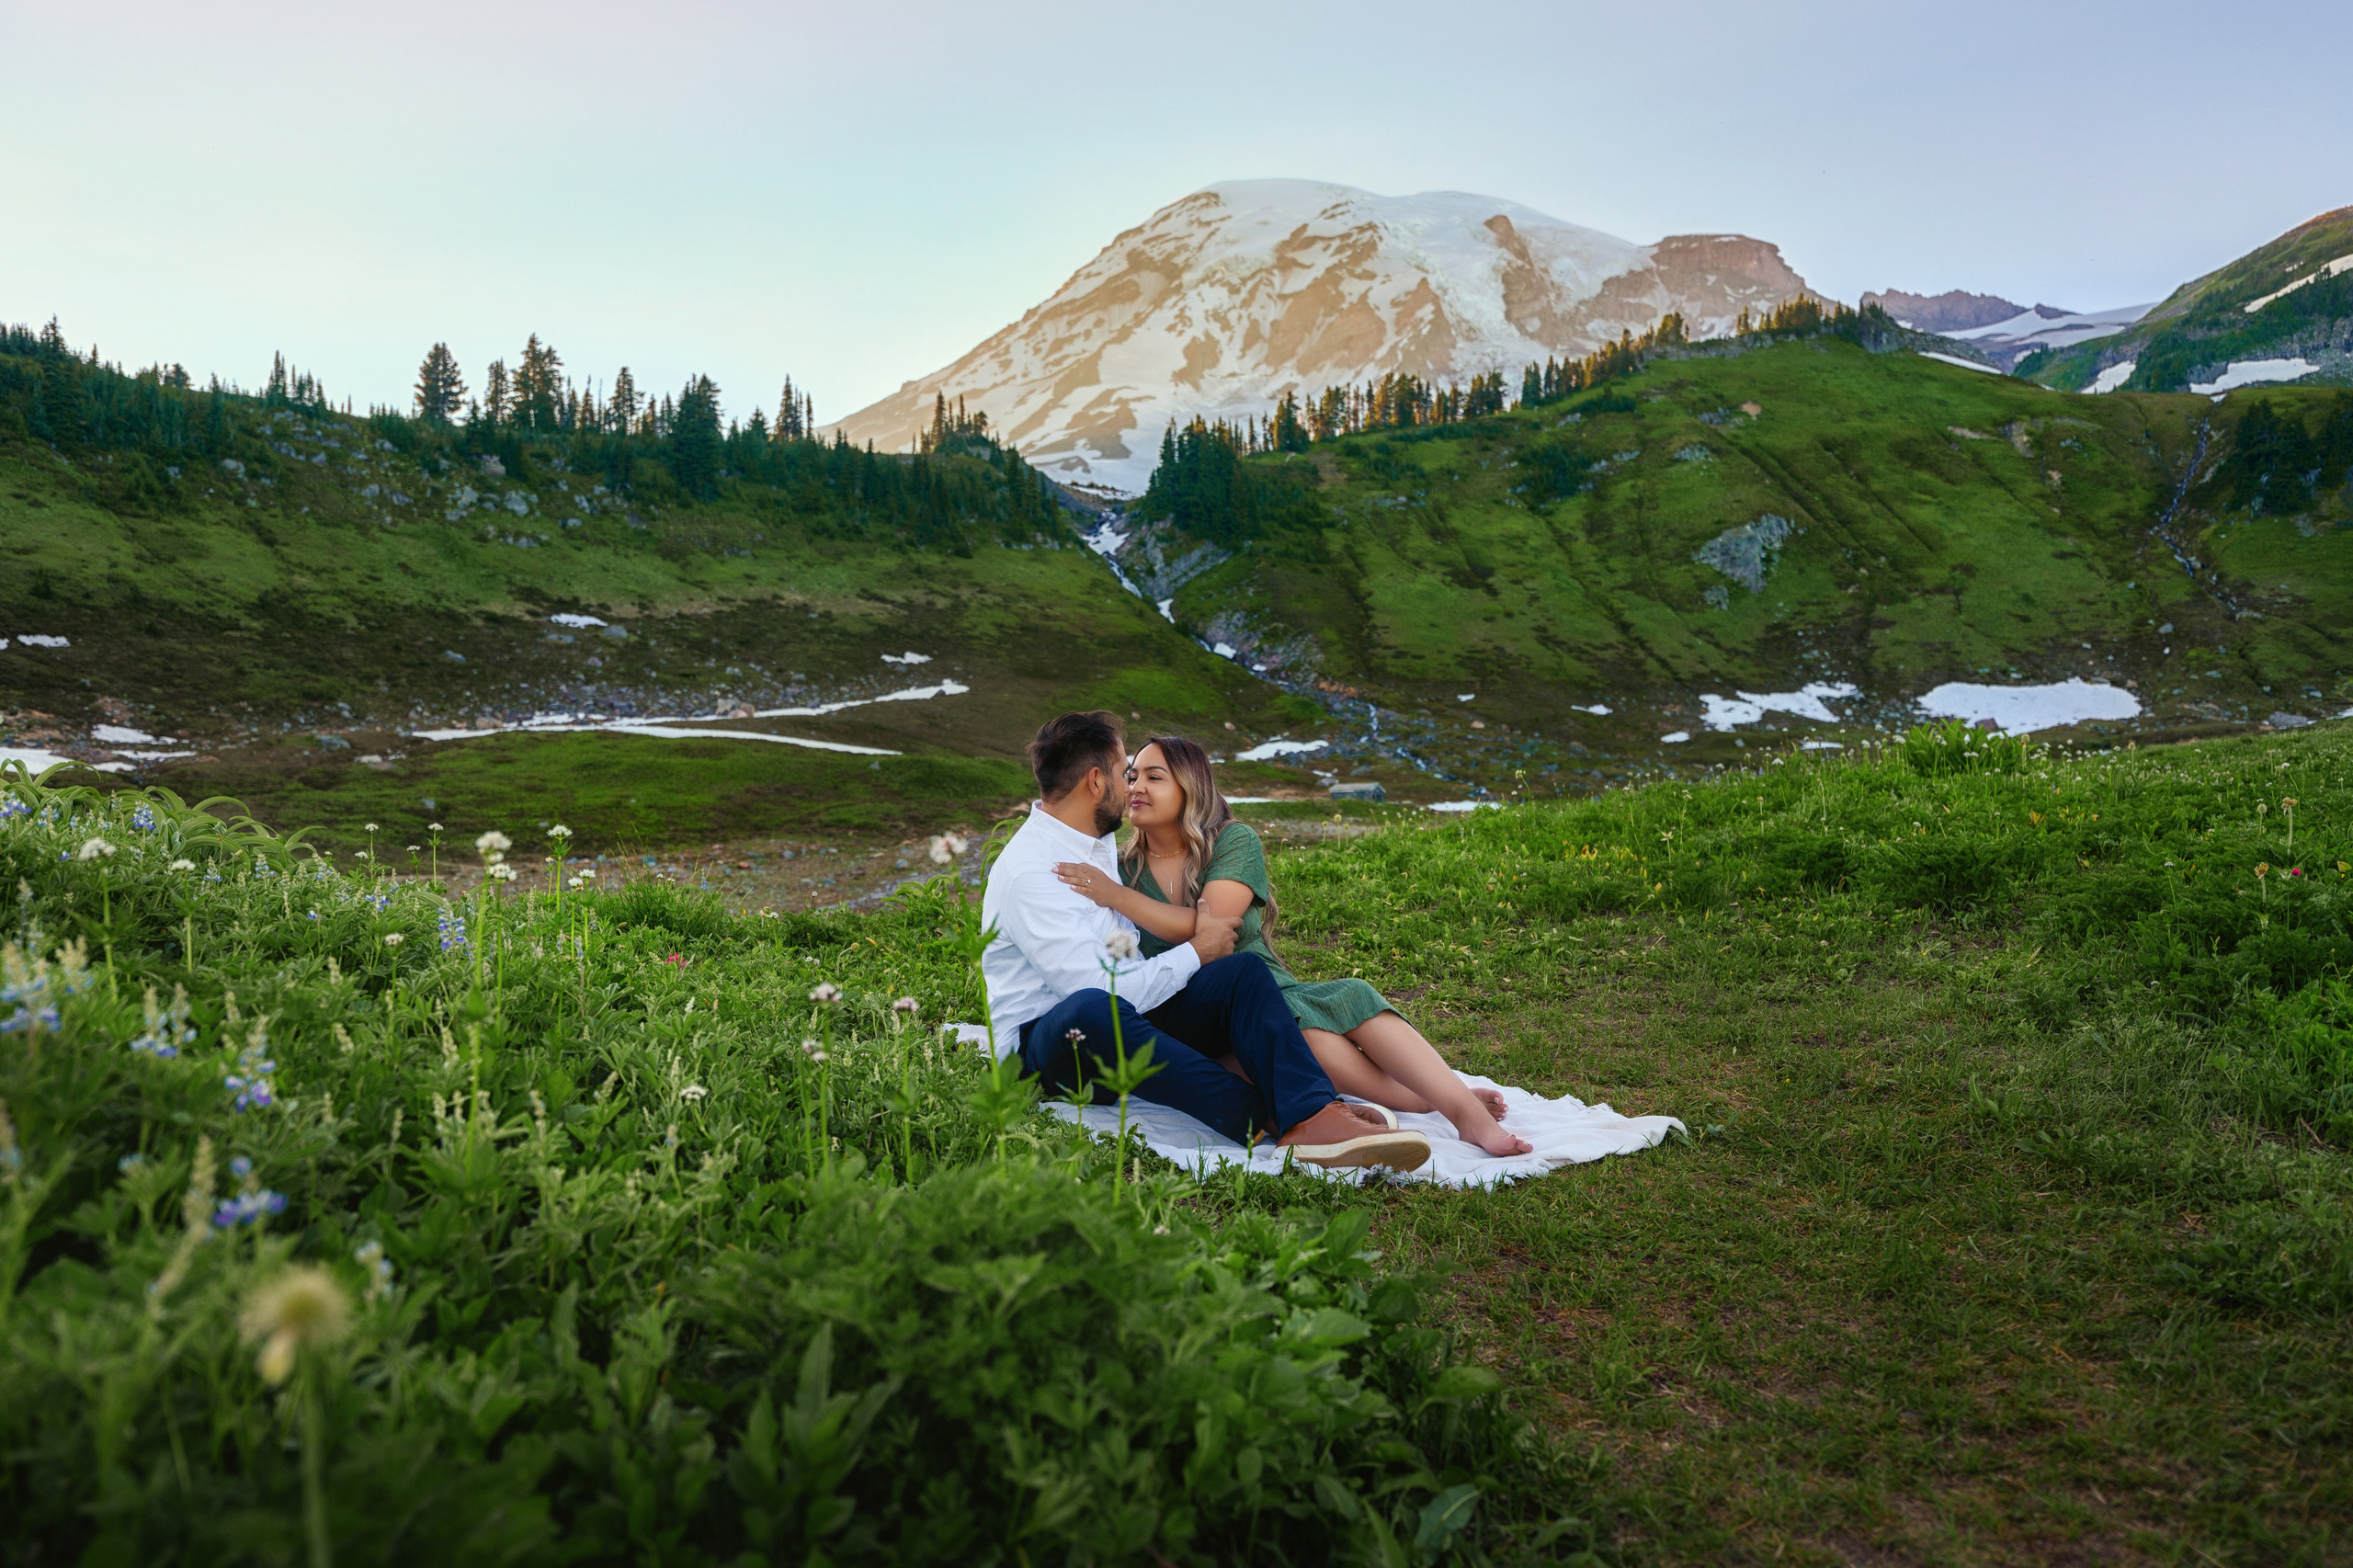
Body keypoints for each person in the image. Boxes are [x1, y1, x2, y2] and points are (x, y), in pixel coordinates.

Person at [981, 710, 1431, 1171]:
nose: (1131, 786)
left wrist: (1203, 959)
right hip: (1050, 1048)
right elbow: (1101, 992)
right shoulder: (1033, 873)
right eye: (1124, 773)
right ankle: (1265, 1116)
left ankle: (1313, 1114)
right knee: (1093, 1009)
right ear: (1096, 782)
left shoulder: (1091, 845)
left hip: (1125, 1013)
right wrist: (1196, 951)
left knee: (1241, 973)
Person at [1053, 734, 1532, 1158]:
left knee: (1348, 995)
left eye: (1154, 777)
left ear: (1190, 787)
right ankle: (1422, 1098)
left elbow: (1215, 929)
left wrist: (1117, 897)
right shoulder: (1120, 865)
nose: (1135, 786)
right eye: (1132, 775)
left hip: (1255, 984)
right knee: (1298, 1034)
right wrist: (1116, 890)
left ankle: (1466, 1115)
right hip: (1188, 1004)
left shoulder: (1231, 841)